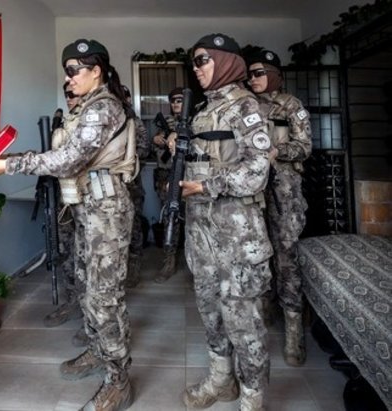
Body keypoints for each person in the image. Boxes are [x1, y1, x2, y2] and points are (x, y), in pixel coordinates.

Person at [0, 38, 136, 411]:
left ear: (97, 71)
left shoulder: (103, 107)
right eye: (67, 70)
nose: (68, 77)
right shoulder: (84, 108)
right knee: (87, 286)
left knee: (105, 297)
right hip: (86, 209)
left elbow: (69, 159)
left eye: (75, 70)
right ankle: (97, 350)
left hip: (107, 212)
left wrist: (7, 164)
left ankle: (118, 379)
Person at [174, 33, 273, 410]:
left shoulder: (246, 106)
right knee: (210, 310)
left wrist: (205, 184)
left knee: (243, 321)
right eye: (194, 62)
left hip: (237, 232)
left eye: (203, 60)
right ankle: (221, 380)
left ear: (226, 60)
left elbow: (257, 172)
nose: (196, 69)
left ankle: (252, 399)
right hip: (203, 233)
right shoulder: (202, 111)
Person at [246, 48, 312, 367]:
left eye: (259, 73)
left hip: (285, 194)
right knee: (259, 254)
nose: (253, 78)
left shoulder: (292, 106)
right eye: (251, 73)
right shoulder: (246, 106)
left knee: (287, 259)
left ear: (275, 74)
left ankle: (294, 331)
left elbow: (305, 147)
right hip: (254, 194)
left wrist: (277, 151)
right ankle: (266, 314)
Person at [43, 81, 84, 335]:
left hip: (86, 199)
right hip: (63, 199)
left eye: (73, 94)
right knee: (65, 252)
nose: (69, 99)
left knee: (88, 260)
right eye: (66, 95)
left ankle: (92, 319)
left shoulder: (93, 122)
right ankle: (73, 301)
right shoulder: (65, 124)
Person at [152, 87, 185, 283]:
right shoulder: (166, 122)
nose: (176, 104)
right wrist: (157, 139)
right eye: (173, 100)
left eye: (180, 100)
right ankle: (169, 261)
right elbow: (153, 144)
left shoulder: (192, 122)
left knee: (191, 221)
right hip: (166, 177)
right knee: (169, 219)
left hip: (186, 178)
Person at [121, 85, 150, 288]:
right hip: (114, 185)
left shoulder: (135, 122)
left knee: (135, 226)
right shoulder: (113, 122)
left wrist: (127, 158)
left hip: (132, 184)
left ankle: (135, 265)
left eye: (125, 97)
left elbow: (144, 149)